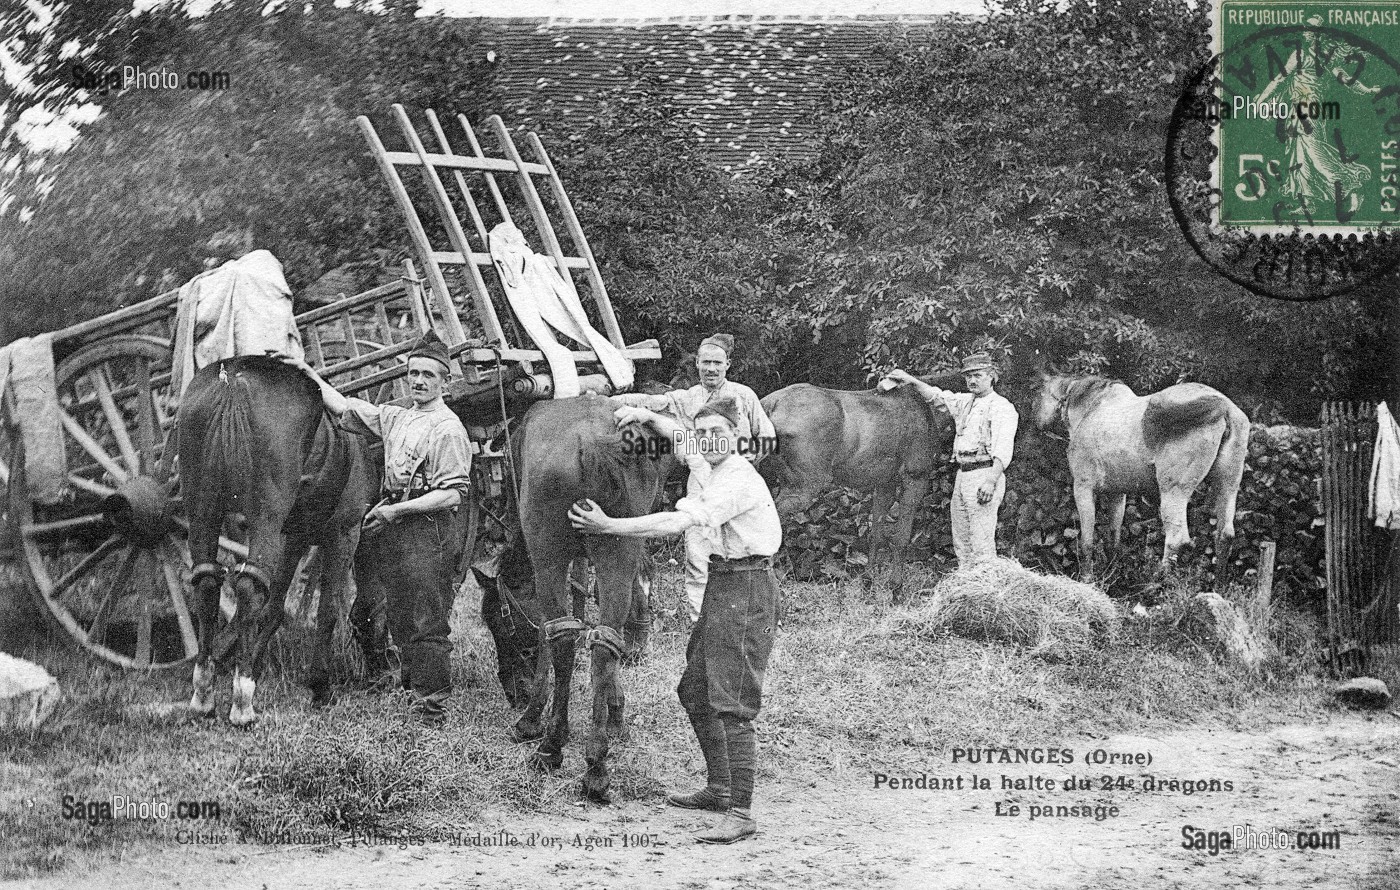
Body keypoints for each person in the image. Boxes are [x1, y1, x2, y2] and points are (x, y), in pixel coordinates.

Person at [568, 397, 781, 845]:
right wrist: (646, 417)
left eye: (717, 432)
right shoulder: (710, 459)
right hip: (725, 584)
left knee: (733, 701)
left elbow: (674, 522)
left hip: (748, 588)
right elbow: (683, 439)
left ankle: (741, 811)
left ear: (739, 433)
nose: (706, 441)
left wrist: (609, 526)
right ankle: (720, 789)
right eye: (702, 433)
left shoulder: (738, 477)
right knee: (694, 689)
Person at [281, 330, 472, 726]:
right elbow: (345, 408)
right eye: (413, 373)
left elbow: (453, 495)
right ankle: (411, 690)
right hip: (398, 525)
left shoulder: (448, 429)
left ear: (444, 382)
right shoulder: (399, 417)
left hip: (429, 530)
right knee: (400, 613)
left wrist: (396, 511)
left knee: (427, 618)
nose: (418, 381)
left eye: (428, 375)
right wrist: (304, 371)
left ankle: (432, 708)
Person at [614, 333, 777, 623]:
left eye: (717, 362)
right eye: (705, 362)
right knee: (698, 553)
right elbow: (656, 405)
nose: (711, 368)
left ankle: (754, 612)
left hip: (735, 482)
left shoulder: (744, 395)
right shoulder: (687, 398)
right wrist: (617, 403)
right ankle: (699, 618)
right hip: (700, 476)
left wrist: (743, 459)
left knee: (743, 549)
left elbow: (766, 438)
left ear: (728, 364)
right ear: (697, 364)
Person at [881, 353, 1019, 568]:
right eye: (968, 376)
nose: (972, 381)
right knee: (962, 543)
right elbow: (936, 397)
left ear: (991, 377)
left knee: (981, 543)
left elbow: (1003, 448)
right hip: (963, 474)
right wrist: (912, 380)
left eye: (978, 375)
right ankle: (967, 591)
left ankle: (985, 593)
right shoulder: (965, 402)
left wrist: (991, 481)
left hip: (985, 474)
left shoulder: (1002, 407)